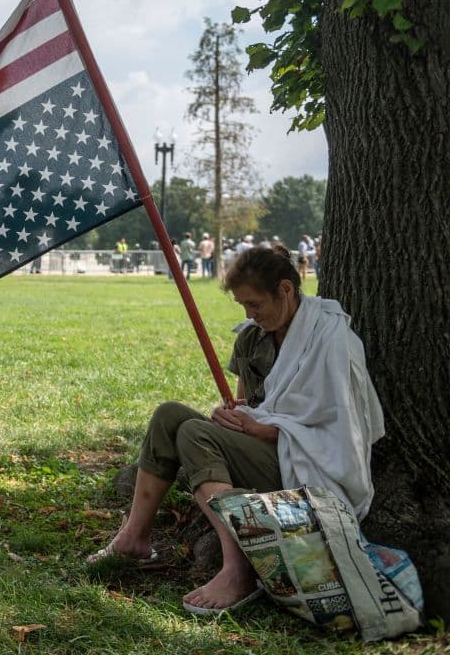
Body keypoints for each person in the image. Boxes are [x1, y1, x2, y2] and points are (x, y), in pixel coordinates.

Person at [86, 245, 384, 615]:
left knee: (195, 435)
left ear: (286, 290)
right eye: (243, 306)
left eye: (256, 304)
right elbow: (252, 405)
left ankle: (238, 568)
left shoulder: (331, 339)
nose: (250, 315)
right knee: (169, 416)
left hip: (305, 462)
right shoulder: (252, 337)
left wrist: (265, 429)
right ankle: (135, 536)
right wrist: (234, 417)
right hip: (264, 448)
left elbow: (345, 427)